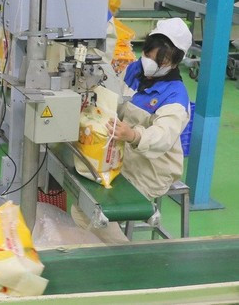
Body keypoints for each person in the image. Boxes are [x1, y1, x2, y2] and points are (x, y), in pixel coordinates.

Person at [72, 18, 192, 244]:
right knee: (81, 203)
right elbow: (115, 99)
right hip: (121, 155)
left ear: (175, 62)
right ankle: (99, 254)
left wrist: (134, 135)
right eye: (149, 54)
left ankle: (124, 256)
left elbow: (163, 137)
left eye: (160, 60)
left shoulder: (175, 97)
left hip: (151, 169)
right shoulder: (135, 70)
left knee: (93, 210)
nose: (150, 62)